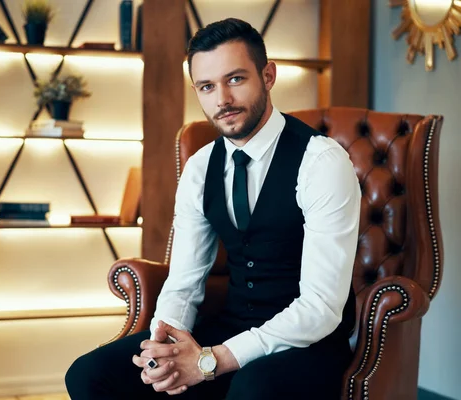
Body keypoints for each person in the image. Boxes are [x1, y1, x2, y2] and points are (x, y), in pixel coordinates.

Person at [65, 17, 361, 399]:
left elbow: (321, 307)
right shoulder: (200, 168)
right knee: (89, 374)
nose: (222, 100)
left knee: (252, 387)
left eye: (235, 79)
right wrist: (164, 347)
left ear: (268, 75)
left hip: (309, 344)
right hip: (229, 327)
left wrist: (212, 360)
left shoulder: (321, 162)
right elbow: (184, 281)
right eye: (207, 86)